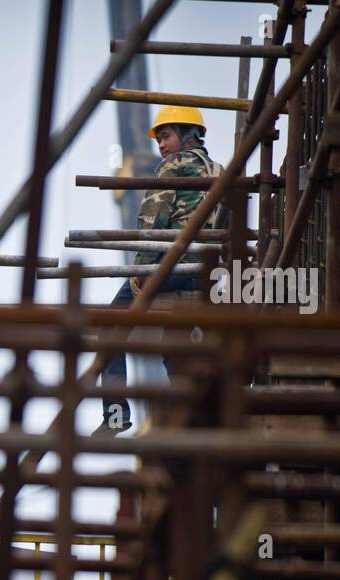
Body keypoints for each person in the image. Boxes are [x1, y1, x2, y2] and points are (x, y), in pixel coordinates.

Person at [95, 105, 226, 436]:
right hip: (210, 273)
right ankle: (192, 414)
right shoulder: (222, 169)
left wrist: (141, 272)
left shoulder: (173, 165)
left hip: (173, 267)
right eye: (159, 140)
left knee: (111, 326)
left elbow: (153, 224)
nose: (161, 146)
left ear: (187, 135)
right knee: (175, 344)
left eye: (166, 136)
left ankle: (116, 413)